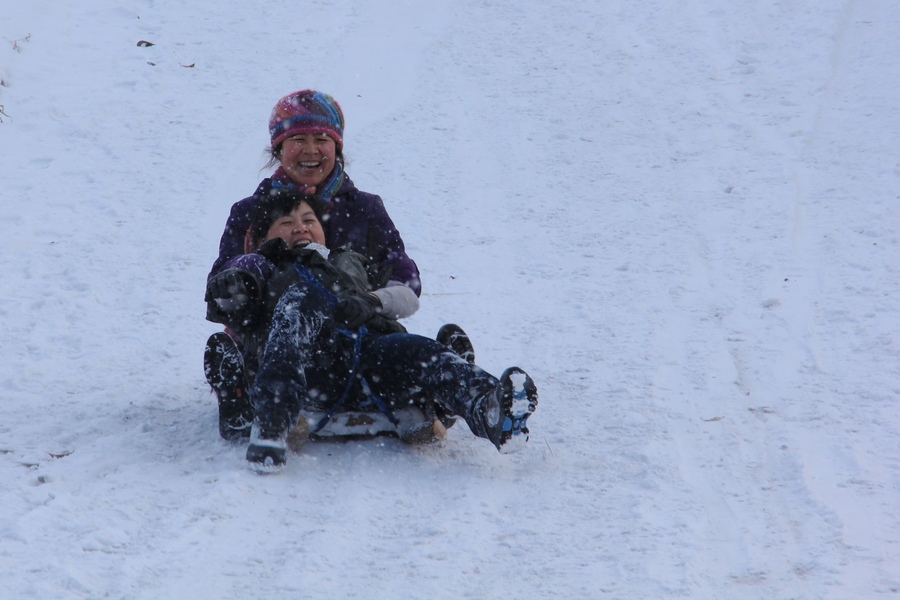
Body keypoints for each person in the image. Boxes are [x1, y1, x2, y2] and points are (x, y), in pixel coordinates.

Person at [205, 189, 538, 469]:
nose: (300, 228)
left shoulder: (348, 262)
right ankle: (272, 418)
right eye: (286, 223)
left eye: (309, 220)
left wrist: (372, 302)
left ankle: (488, 408)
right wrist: (239, 280)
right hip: (307, 369)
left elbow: (408, 297)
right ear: (264, 237)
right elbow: (233, 292)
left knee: (419, 352)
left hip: (371, 362)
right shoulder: (264, 266)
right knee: (300, 300)